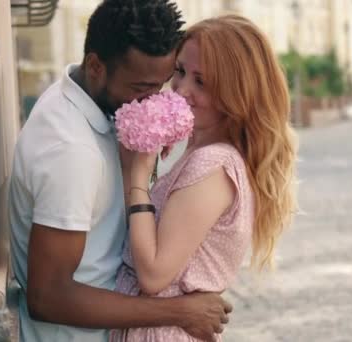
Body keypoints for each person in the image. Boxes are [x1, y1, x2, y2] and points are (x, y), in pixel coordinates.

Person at [8, 1, 231, 341]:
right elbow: (48, 296)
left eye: (162, 84)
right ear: (96, 66)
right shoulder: (71, 151)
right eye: (141, 88)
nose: (152, 99)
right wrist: (181, 311)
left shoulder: (79, 97)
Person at [110, 15, 298, 341]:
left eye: (202, 82)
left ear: (235, 93)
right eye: (180, 71)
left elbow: (154, 275)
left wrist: (137, 176)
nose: (182, 90)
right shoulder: (203, 154)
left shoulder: (213, 163)